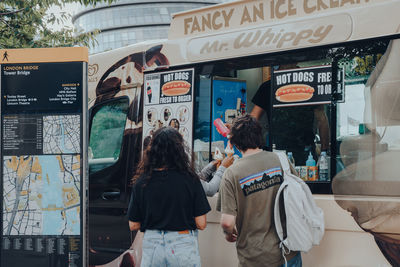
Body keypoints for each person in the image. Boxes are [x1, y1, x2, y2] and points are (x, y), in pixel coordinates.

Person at [217, 115, 301, 267]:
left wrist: (228, 234)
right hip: (289, 252)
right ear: (259, 136)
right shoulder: (281, 160)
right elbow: (299, 194)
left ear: (235, 142)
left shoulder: (231, 173)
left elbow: (227, 222)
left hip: (255, 258)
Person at [128, 127, 211, 267]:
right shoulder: (190, 180)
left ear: (152, 150)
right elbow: (201, 223)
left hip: (152, 246)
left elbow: (133, 224)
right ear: (179, 151)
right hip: (183, 245)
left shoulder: (141, 182)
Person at [250, 65, 330, 165]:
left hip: (300, 150)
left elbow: (252, 120)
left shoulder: (268, 86)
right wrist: (324, 151)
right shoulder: (268, 87)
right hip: (281, 150)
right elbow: (322, 119)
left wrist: (324, 152)